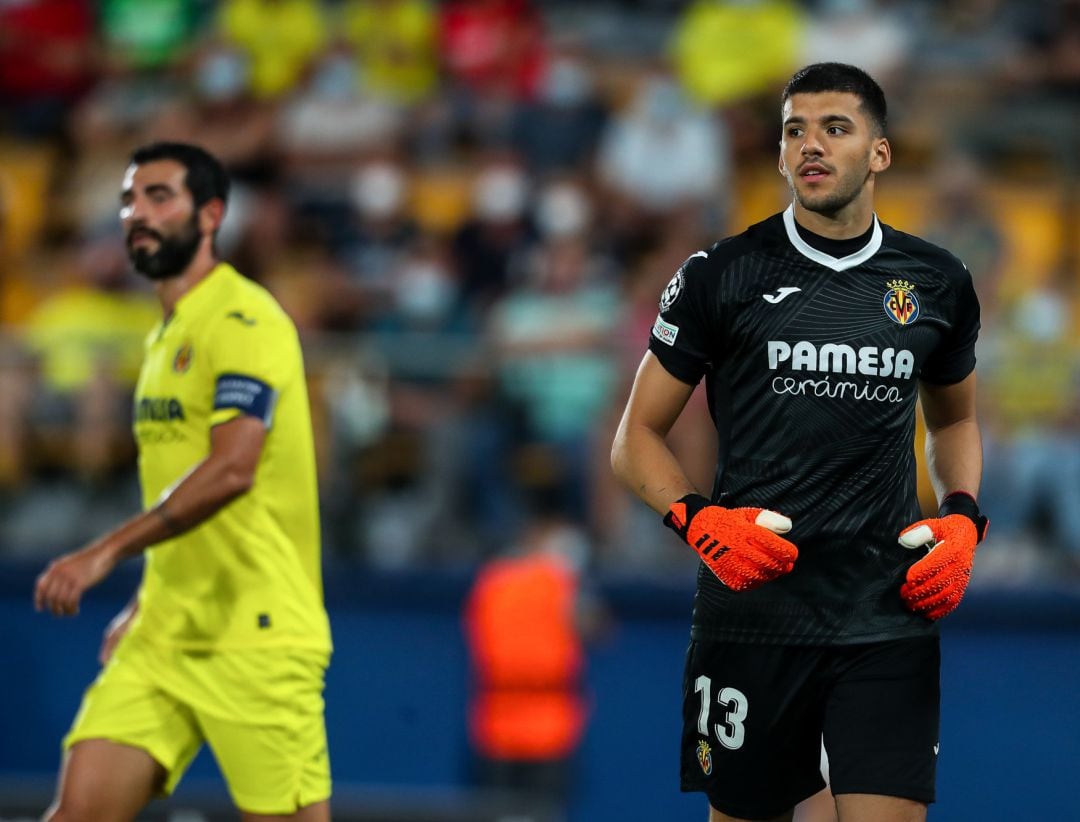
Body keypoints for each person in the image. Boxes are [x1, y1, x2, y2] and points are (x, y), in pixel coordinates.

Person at [610, 63, 987, 822]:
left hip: (885, 612)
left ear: (879, 153)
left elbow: (953, 421)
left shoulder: (938, 282)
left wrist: (964, 517)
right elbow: (635, 438)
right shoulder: (722, 274)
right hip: (754, 615)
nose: (811, 146)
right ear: (779, 156)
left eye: (835, 129)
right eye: (794, 131)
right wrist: (697, 519)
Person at [34, 142, 332, 821]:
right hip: (165, 629)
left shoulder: (244, 319)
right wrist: (148, 595)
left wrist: (107, 552)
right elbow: (179, 485)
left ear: (211, 215)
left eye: (158, 197)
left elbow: (232, 469)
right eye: (128, 201)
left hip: (256, 634)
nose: (136, 214)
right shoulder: (162, 337)